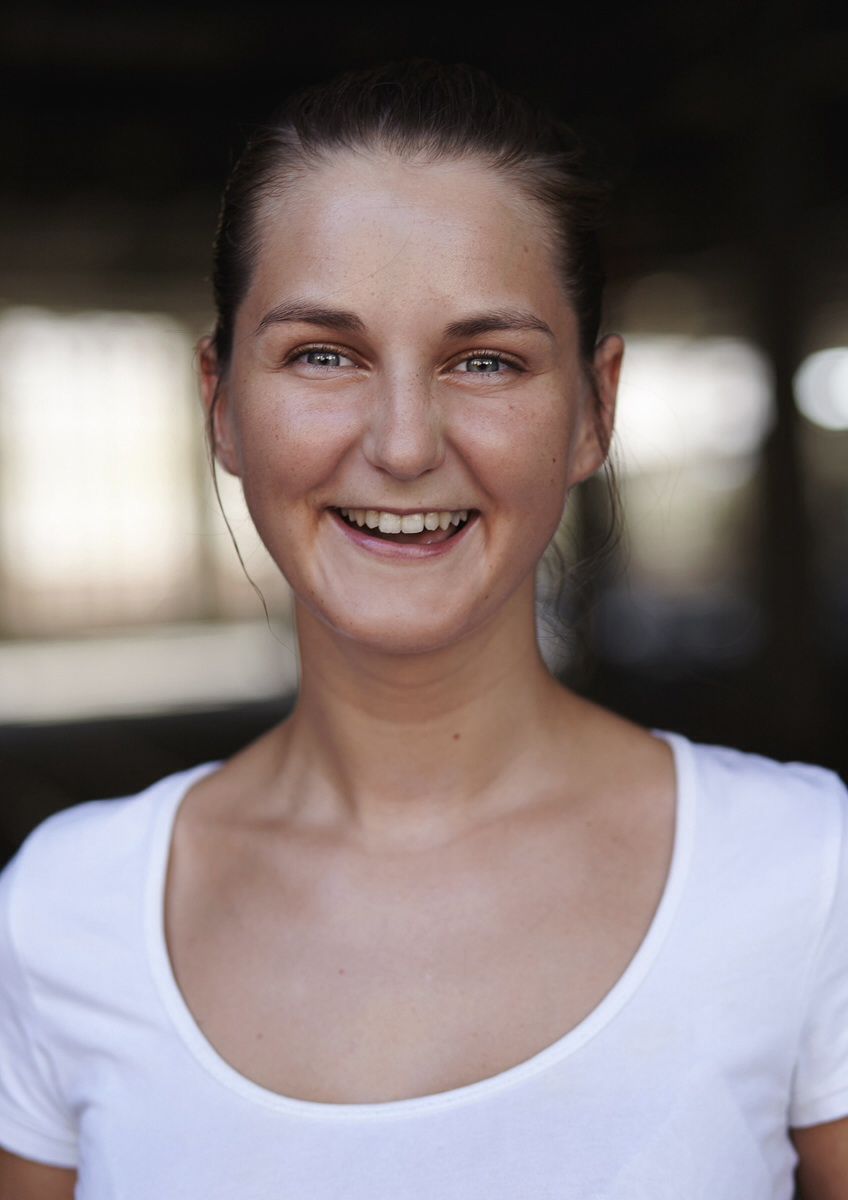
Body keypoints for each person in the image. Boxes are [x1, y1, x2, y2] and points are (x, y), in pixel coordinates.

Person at [0, 58, 846, 1200]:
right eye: (323, 355)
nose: (403, 444)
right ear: (220, 404)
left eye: (485, 361)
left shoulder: (802, 873)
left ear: (594, 411)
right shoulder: (67, 912)